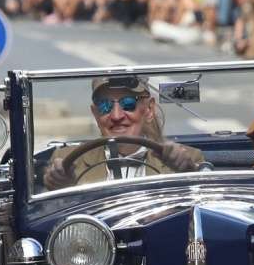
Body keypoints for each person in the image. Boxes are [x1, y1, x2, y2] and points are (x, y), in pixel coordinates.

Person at [44, 74, 203, 189]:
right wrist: (63, 184)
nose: (116, 116)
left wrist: (186, 174)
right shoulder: (68, 161)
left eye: (128, 104)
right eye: (105, 105)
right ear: (96, 114)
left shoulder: (187, 159)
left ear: (148, 110)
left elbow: (199, 206)